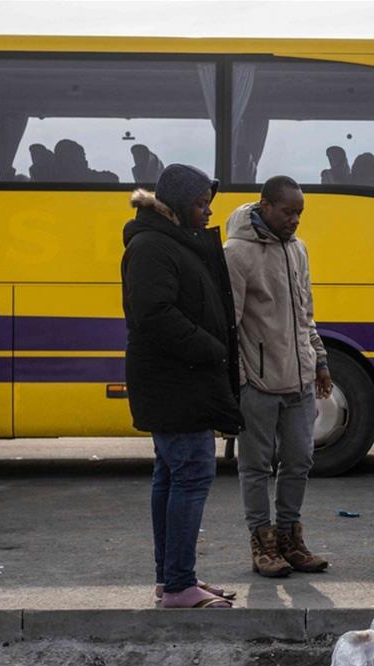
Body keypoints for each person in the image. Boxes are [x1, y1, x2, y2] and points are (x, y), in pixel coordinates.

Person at [121, 164, 243, 608]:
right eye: (199, 203)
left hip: (176, 381)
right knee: (191, 475)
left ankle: (173, 579)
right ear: (174, 204)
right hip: (175, 382)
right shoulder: (153, 245)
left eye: (208, 202)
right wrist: (211, 348)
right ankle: (178, 586)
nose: (208, 212)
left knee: (172, 477)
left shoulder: (168, 242)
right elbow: (155, 314)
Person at [224, 175, 332, 577]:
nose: (295, 220)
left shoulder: (298, 250)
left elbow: (306, 314)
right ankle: (262, 542)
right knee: (255, 467)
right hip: (258, 383)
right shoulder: (236, 253)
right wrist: (241, 382)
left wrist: (319, 361)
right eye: (288, 212)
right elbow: (229, 326)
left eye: (300, 213)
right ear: (265, 205)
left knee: (300, 460)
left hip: (300, 379)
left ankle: (289, 537)